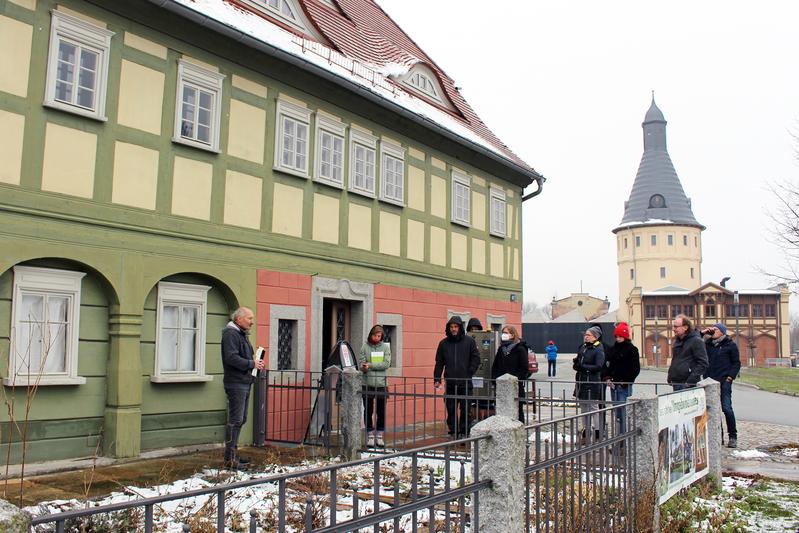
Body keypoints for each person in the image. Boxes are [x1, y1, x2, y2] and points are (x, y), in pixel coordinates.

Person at [221, 307, 265, 470]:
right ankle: (229, 458)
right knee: (235, 420)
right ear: (239, 319)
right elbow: (231, 357)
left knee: (241, 419)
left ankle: (233, 454)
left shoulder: (240, 334)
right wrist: (251, 363)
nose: (252, 322)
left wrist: (256, 362)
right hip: (236, 383)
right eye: (249, 318)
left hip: (244, 381)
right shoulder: (231, 333)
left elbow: (241, 357)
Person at [434, 316, 481, 438]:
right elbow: (439, 362)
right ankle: (453, 431)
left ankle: (464, 432)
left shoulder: (469, 341)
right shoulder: (443, 344)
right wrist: (437, 379)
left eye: (455, 327)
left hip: (465, 382)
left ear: (460, 328)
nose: (453, 329)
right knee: (451, 409)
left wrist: (470, 371)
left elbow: (476, 358)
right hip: (450, 382)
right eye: (451, 327)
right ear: (448, 328)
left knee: (465, 409)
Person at [701, 322, 741, 448]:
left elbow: (736, 363)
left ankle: (733, 436)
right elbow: (695, 339)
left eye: (716, 329)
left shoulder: (730, 345)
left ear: (722, 332)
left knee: (727, 408)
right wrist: (703, 332)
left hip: (724, 381)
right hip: (709, 382)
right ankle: (718, 436)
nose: (713, 331)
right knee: (713, 410)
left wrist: (730, 377)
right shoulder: (707, 345)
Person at [602, 322, 640, 434]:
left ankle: (624, 436)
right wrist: (607, 377)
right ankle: (619, 435)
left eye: (620, 336)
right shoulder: (612, 349)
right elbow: (607, 365)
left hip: (624, 385)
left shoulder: (632, 350)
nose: (618, 338)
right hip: (613, 384)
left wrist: (627, 380)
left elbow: (635, 369)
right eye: (617, 336)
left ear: (625, 336)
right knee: (617, 412)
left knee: (624, 411)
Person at [357, 325, 392, 447]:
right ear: (370, 335)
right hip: (367, 383)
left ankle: (379, 435)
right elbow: (361, 363)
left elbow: (386, 364)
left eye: (379, 336)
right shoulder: (364, 347)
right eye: (375, 335)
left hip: (382, 383)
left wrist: (370, 365)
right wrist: (364, 367)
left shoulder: (385, 348)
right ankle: (370, 434)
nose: (377, 338)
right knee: (368, 410)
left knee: (381, 411)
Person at [491, 325, 529, 423]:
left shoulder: (520, 349)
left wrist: (515, 380)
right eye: (503, 333)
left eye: (506, 333)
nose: (503, 335)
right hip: (501, 386)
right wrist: (495, 380)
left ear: (512, 335)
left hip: (515, 385)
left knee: (517, 411)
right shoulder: (501, 350)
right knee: (502, 412)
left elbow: (524, 368)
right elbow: (495, 366)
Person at [573, 325, 605, 441]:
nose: (586, 337)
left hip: (592, 382)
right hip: (581, 382)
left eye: (588, 335)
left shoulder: (598, 349)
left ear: (595, 337)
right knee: (583, 408)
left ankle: (597, 433)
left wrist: (584, 367)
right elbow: (579, 361)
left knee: (593, 407)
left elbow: (598, 366)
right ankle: (586, 432)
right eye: (585, 335)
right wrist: (576, 364)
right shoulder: (583, 347)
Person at [667, 314, 708, 391]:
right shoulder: (678, 341)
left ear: (685, 327)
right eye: (673, 326)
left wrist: (690, 381)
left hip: (688, 384)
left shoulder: (696, 341)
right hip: (677, 382)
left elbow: (703, 363)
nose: (673, 329)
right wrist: (670, 375)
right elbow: (675, 360)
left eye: (676, 327)